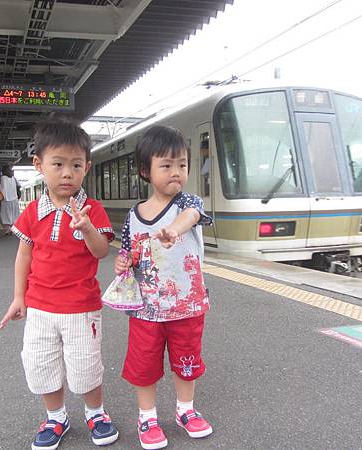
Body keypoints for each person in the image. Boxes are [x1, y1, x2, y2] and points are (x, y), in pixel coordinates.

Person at [0, 115, 119, 450]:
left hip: (80, 307)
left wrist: (88, 229)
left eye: (76, 165)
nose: (67, 173)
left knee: (85, 365)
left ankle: (95, 413)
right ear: (39, 165)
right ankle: (56, 417)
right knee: (42, 364)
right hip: (39, 307)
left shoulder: (92, 209)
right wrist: (18, 297)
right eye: (58, 164)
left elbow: (100, 252)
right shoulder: (31, 212)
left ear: (87, 167)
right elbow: (24, 256)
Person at [114, 125, 214, 450]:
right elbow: (127, 250)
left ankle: (186, 409)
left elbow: (191, 216)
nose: (176, 172)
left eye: (182, 165)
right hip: (146, 308)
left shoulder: (187, 202)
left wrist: (173, 229)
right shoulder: (134, 215)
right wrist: (122, 262)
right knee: (144, 364)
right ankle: (147, 416)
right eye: (166, 165)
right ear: (146, 170)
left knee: (187, 360)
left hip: (186, 304)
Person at [0, 165, 21, 235]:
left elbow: (2, 189)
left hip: (6, 200)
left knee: (7, 215)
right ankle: (12, 229)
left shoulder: (3, 178)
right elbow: (19, 185)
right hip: (14, 199)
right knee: (14, 215)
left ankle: (9, 229)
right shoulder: (14, 178)